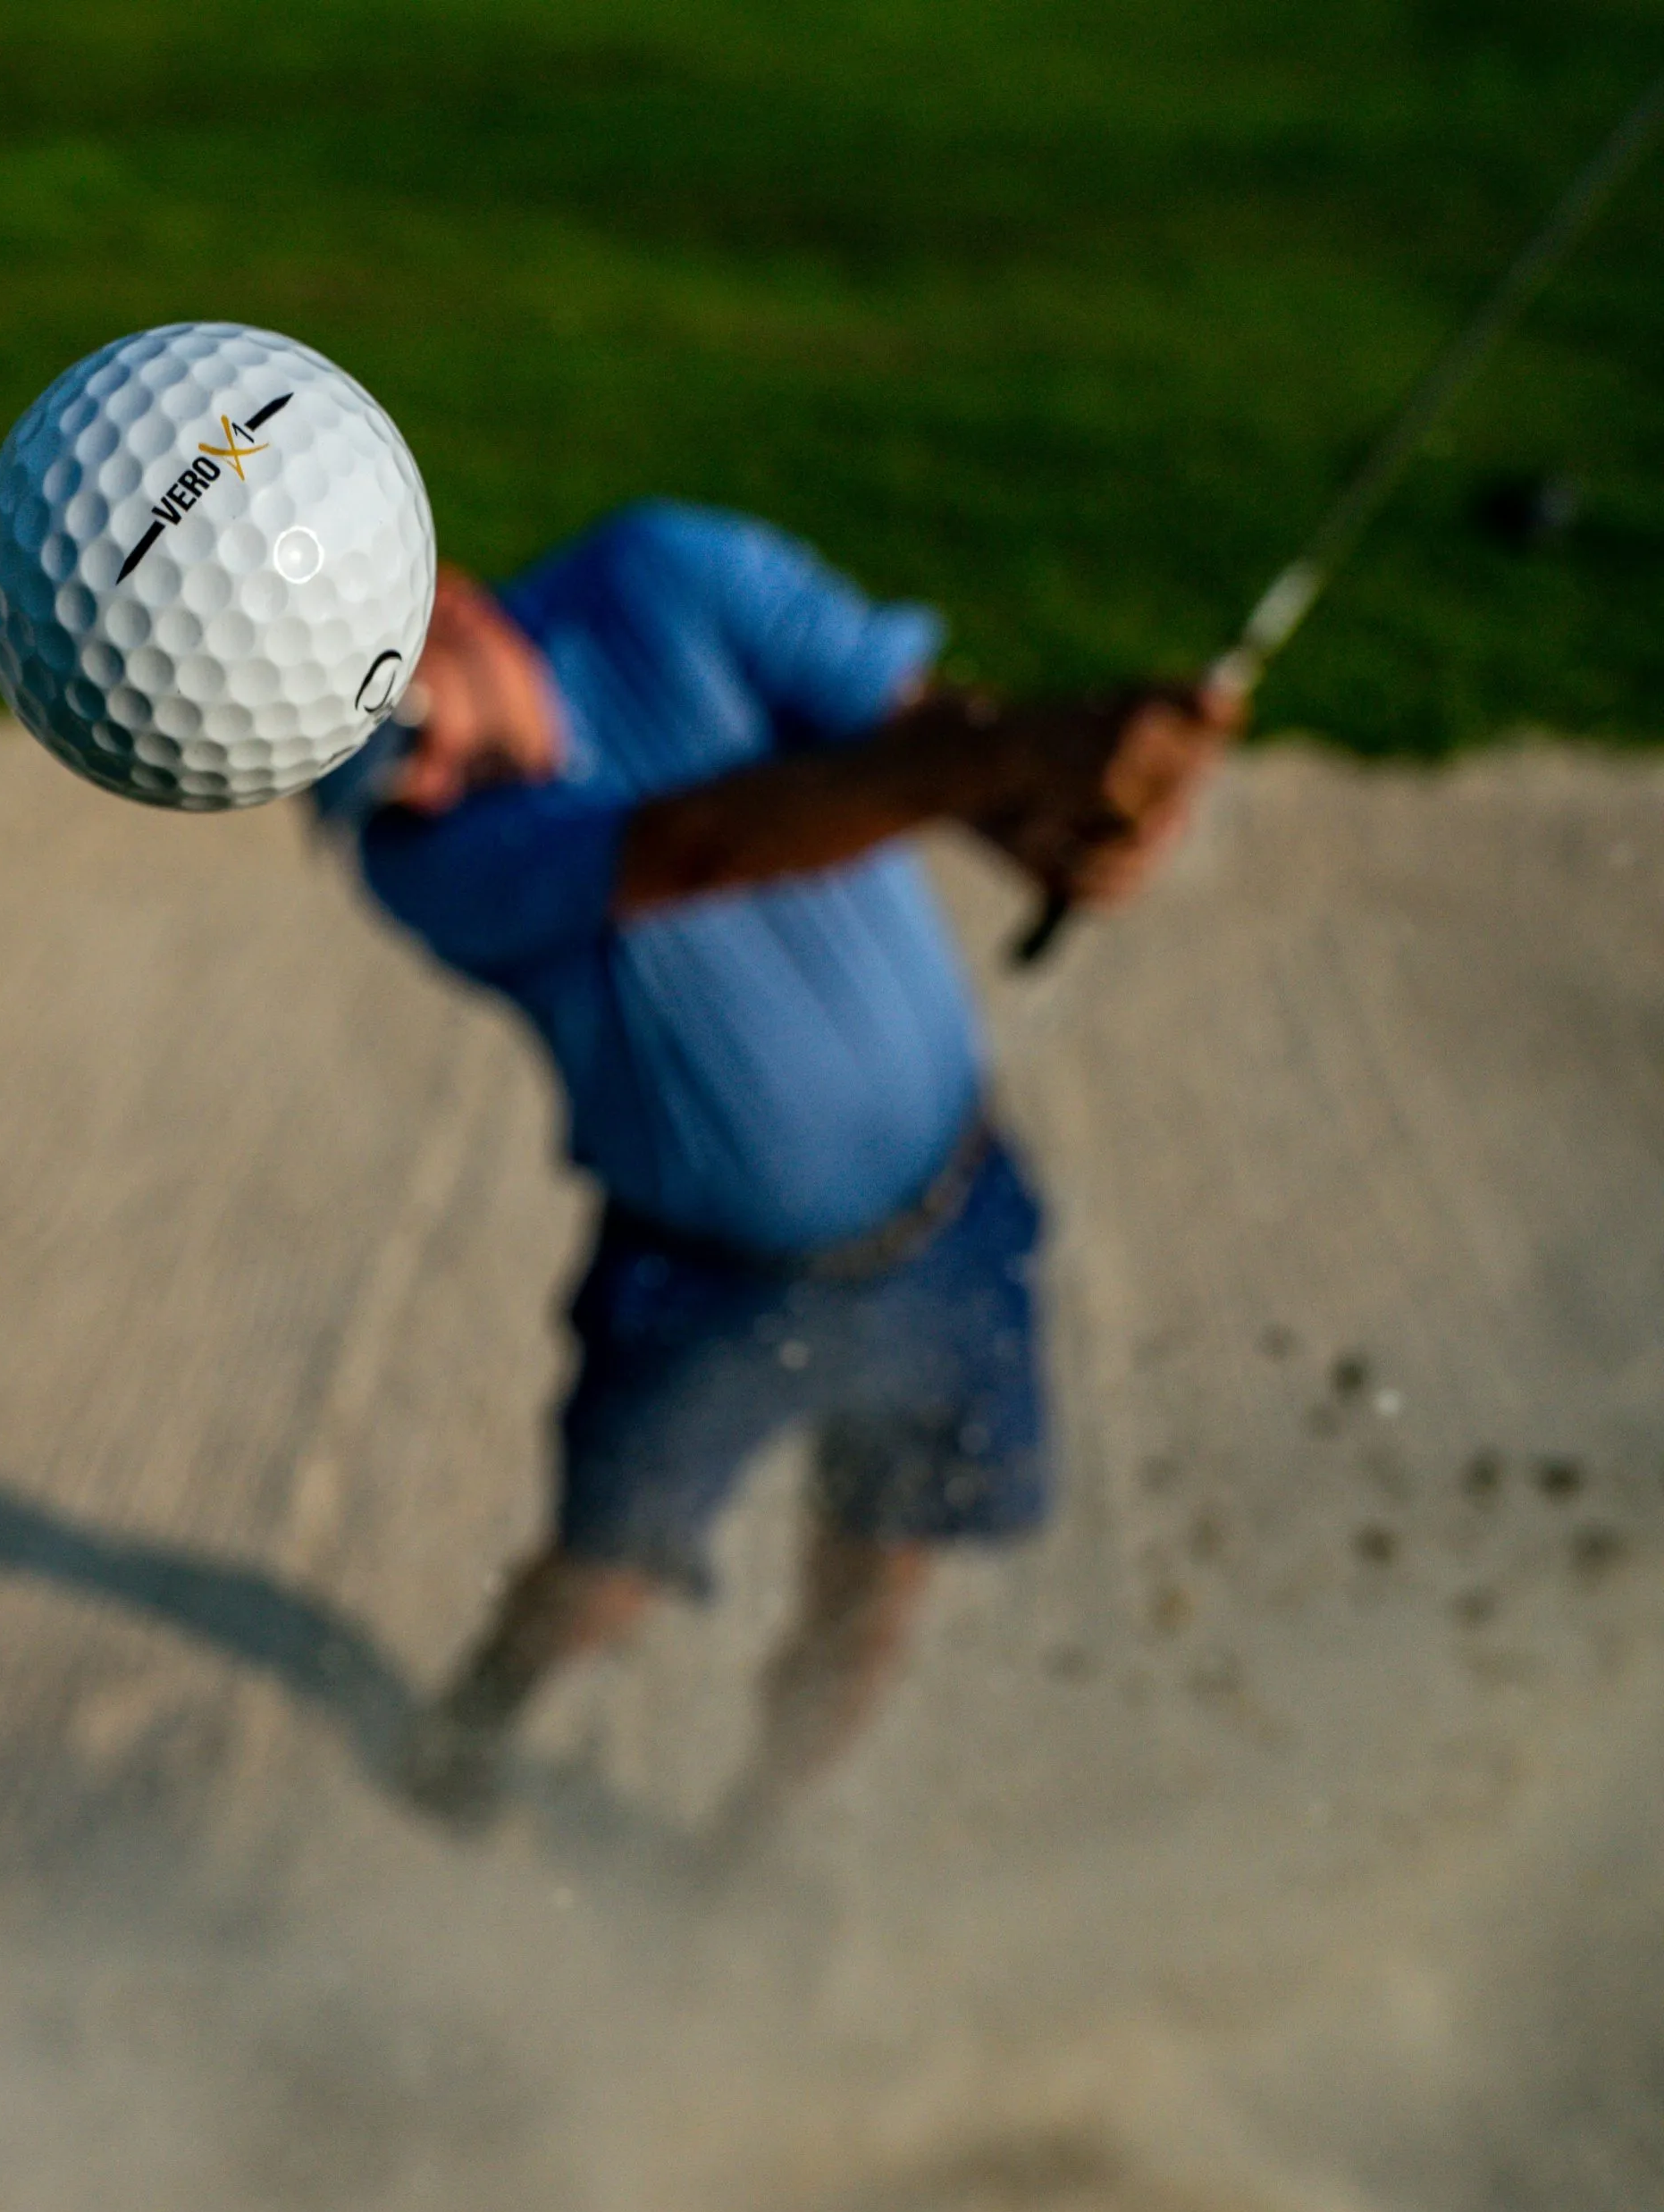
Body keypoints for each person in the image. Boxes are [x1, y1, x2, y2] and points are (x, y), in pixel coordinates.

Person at [310, 501, 1231, 1858]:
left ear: (436, 595)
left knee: (875, 1589)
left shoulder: (669, 573)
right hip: (701, 1280)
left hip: (950, 1221)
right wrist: (1022, 757)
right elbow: (705, 843)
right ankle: (473, 1732)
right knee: (602, 1579)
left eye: (395, 737)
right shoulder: (423, 861)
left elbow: (917, 738)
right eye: (374, 785)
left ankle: (752, 1841)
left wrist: (1061, 818)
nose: (418, 788)